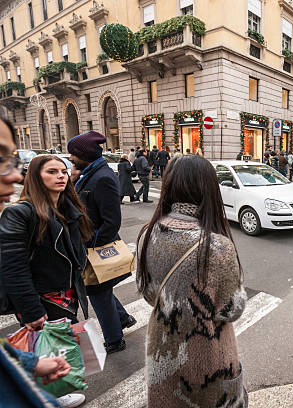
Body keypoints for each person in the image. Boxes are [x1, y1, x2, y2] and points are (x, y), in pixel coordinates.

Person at [136, 155, 248, 407]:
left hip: (162, 349)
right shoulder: (217, 245)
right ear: (209, 189)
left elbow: (147, 293)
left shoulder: (148, 233)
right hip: (208, 357)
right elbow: (232, 308)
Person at [0, 154, 92, 408]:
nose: (61, 176)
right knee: (44, 348)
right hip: (42, 297)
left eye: (63, 171)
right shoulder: (20, 213)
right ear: (35, 177)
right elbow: (13, 267)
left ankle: (54, 390)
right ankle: (49, 395)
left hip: (66, 294)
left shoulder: (67, 209)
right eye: (51, 172)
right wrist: (31, 310)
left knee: (58, 346)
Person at [68, 131, 135, 355]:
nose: (70, 158)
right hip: (86, 245)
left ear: (84, 155)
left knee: (97, 292)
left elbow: (111, 222)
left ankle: (115, 340)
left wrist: (92, 247)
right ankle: (123, 318)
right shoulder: (88, 173)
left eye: (73, 154)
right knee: (100, 288)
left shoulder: (103, 177)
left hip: (93, 247)